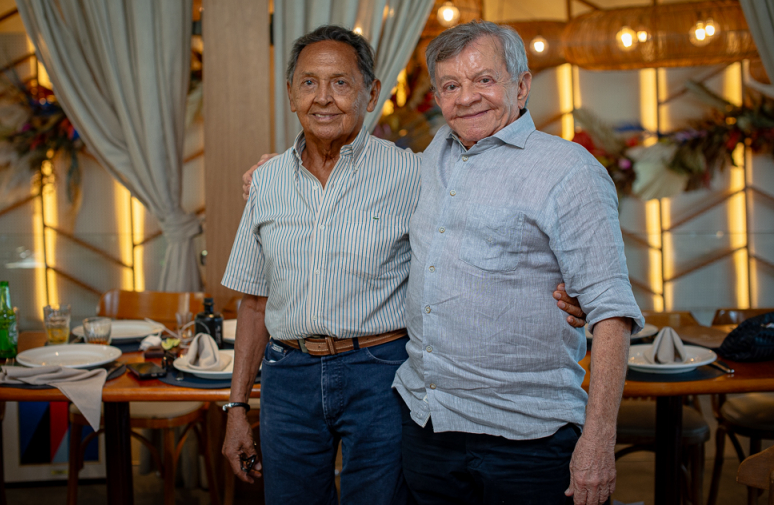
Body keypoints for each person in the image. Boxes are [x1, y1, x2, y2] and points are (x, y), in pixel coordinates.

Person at [222, 25, 586, 505]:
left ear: (371, 93)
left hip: (380, 371)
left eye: (341, 82)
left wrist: (560, 285)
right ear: (290, 94)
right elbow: (253, 301)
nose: (324, 98)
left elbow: (478, 226)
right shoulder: (266, 181)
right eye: (308, 82)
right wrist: (236, 405)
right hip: (287, 376)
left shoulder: (416, 171)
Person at [392, 20, 643, 505]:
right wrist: (275, 169)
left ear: (521, 85)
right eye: (450, 85)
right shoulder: (427, 159)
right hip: (426, 425)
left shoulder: (568, 171)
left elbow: (611, 312)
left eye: (484, 80)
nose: (466, 98)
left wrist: (598, 440)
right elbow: (356, 165)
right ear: (438, 98)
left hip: (527, 439)